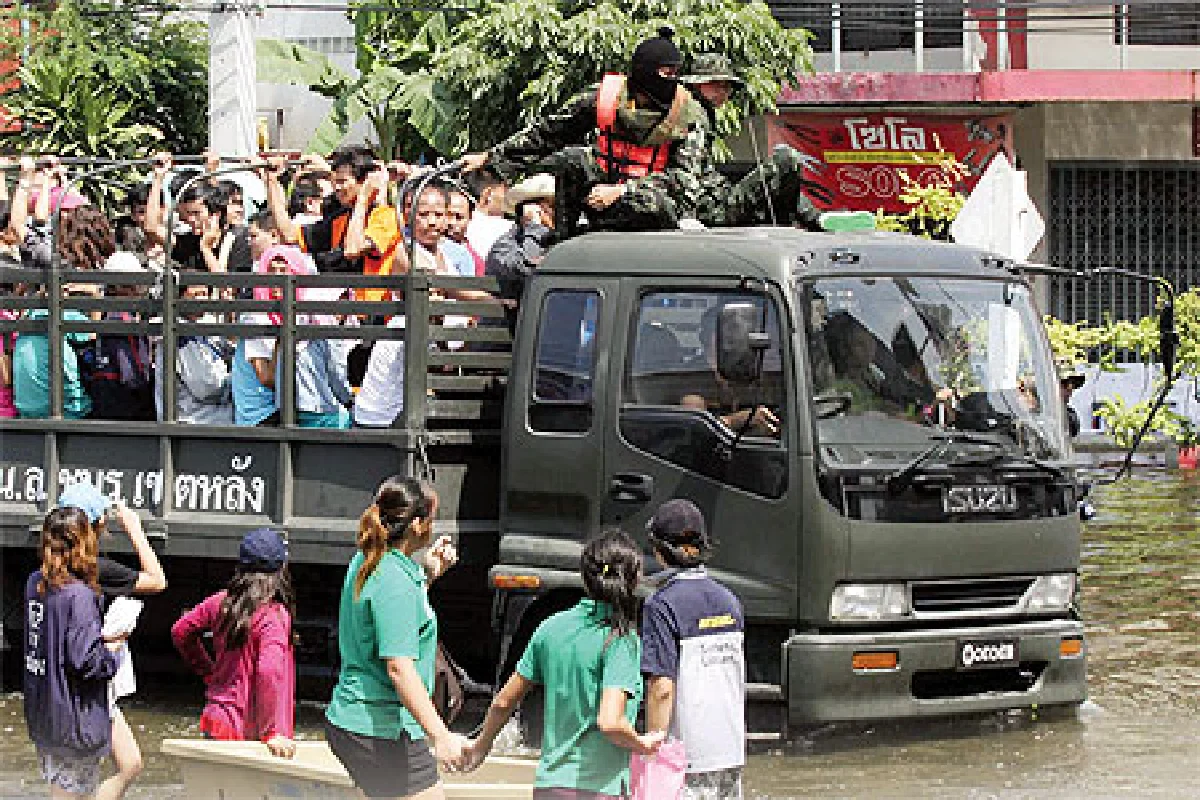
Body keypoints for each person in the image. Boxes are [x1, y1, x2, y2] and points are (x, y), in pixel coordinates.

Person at [463, 529, 664, 798]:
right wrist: (642, 744)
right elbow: (610, 722)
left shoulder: (550, 628)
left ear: (585, 576)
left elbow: (503, 702)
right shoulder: (621, 640)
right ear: (634, 578)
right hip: (599, 789)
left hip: (550, 786)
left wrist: (481, 746)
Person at [461, 27, 706, 236]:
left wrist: (622, 191)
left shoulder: (687, 115)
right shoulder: (607, 97)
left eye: (675, 73)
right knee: (573, 159)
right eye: (665, 73)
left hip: (652, 201)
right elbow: (549, 132)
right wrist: (491, 158)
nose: (671, 80)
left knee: (655, 204)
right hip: (601, 191)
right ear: (644, 71)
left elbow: (683, 182)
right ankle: (563, 239)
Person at [324, 477, 466, 799]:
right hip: (382, 728)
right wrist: (440, 736)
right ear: (416, 525)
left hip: (357, 722)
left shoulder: (370, 559)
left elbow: (392, 616)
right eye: (432, 518)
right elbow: (399, 668)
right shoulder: (393, 579)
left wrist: (427, 575)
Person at [56, 481, 168, 800]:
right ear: (96, 525)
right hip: (84, 685)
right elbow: (157, 580)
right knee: (72, 783)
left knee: (129, 763)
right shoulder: (95, 569)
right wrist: (135, 530)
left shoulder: (53, 567)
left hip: (74, 683)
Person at [641, 499, 746, 800]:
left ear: (659, 551)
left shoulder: (661, 605)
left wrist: (653, 750)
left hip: (686, 757)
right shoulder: (730, 601)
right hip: (731, 750)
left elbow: (662, 688)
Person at [24, 505, 124, 800]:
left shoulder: (35, 583)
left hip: (44, 715)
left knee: (62, 790)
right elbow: (86, 662)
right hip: (74, 722)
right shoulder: (78, 595)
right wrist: (112, 649)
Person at [171, 527, 297, 757]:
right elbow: (269, 671)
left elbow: (181, 631)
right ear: (282, 569)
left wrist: (208, 671)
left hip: (218, 719)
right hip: (250, 732)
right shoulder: (274, 616)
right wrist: (270, 731)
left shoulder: (220, 602)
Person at [676, 53, 821, 229]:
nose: (724, 92)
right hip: (711, 210)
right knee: (785, 159)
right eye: (716, 85)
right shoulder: (693, 115)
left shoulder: (703, 112)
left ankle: (813, 217)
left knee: (780, 173)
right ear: (697, 84)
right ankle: (813, 218)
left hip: (718, 198)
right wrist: (688, 215)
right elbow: (687, 169)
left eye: (727, 87)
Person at [155, 280, 236, 425]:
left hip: (212, 414)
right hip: (195, 419)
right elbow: (207, 389)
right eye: (195, 295)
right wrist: (239, 380)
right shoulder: (179, 333)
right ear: (180, 297)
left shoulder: (201, 324)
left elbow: (226, 349)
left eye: (204, 294)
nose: (201, 300)